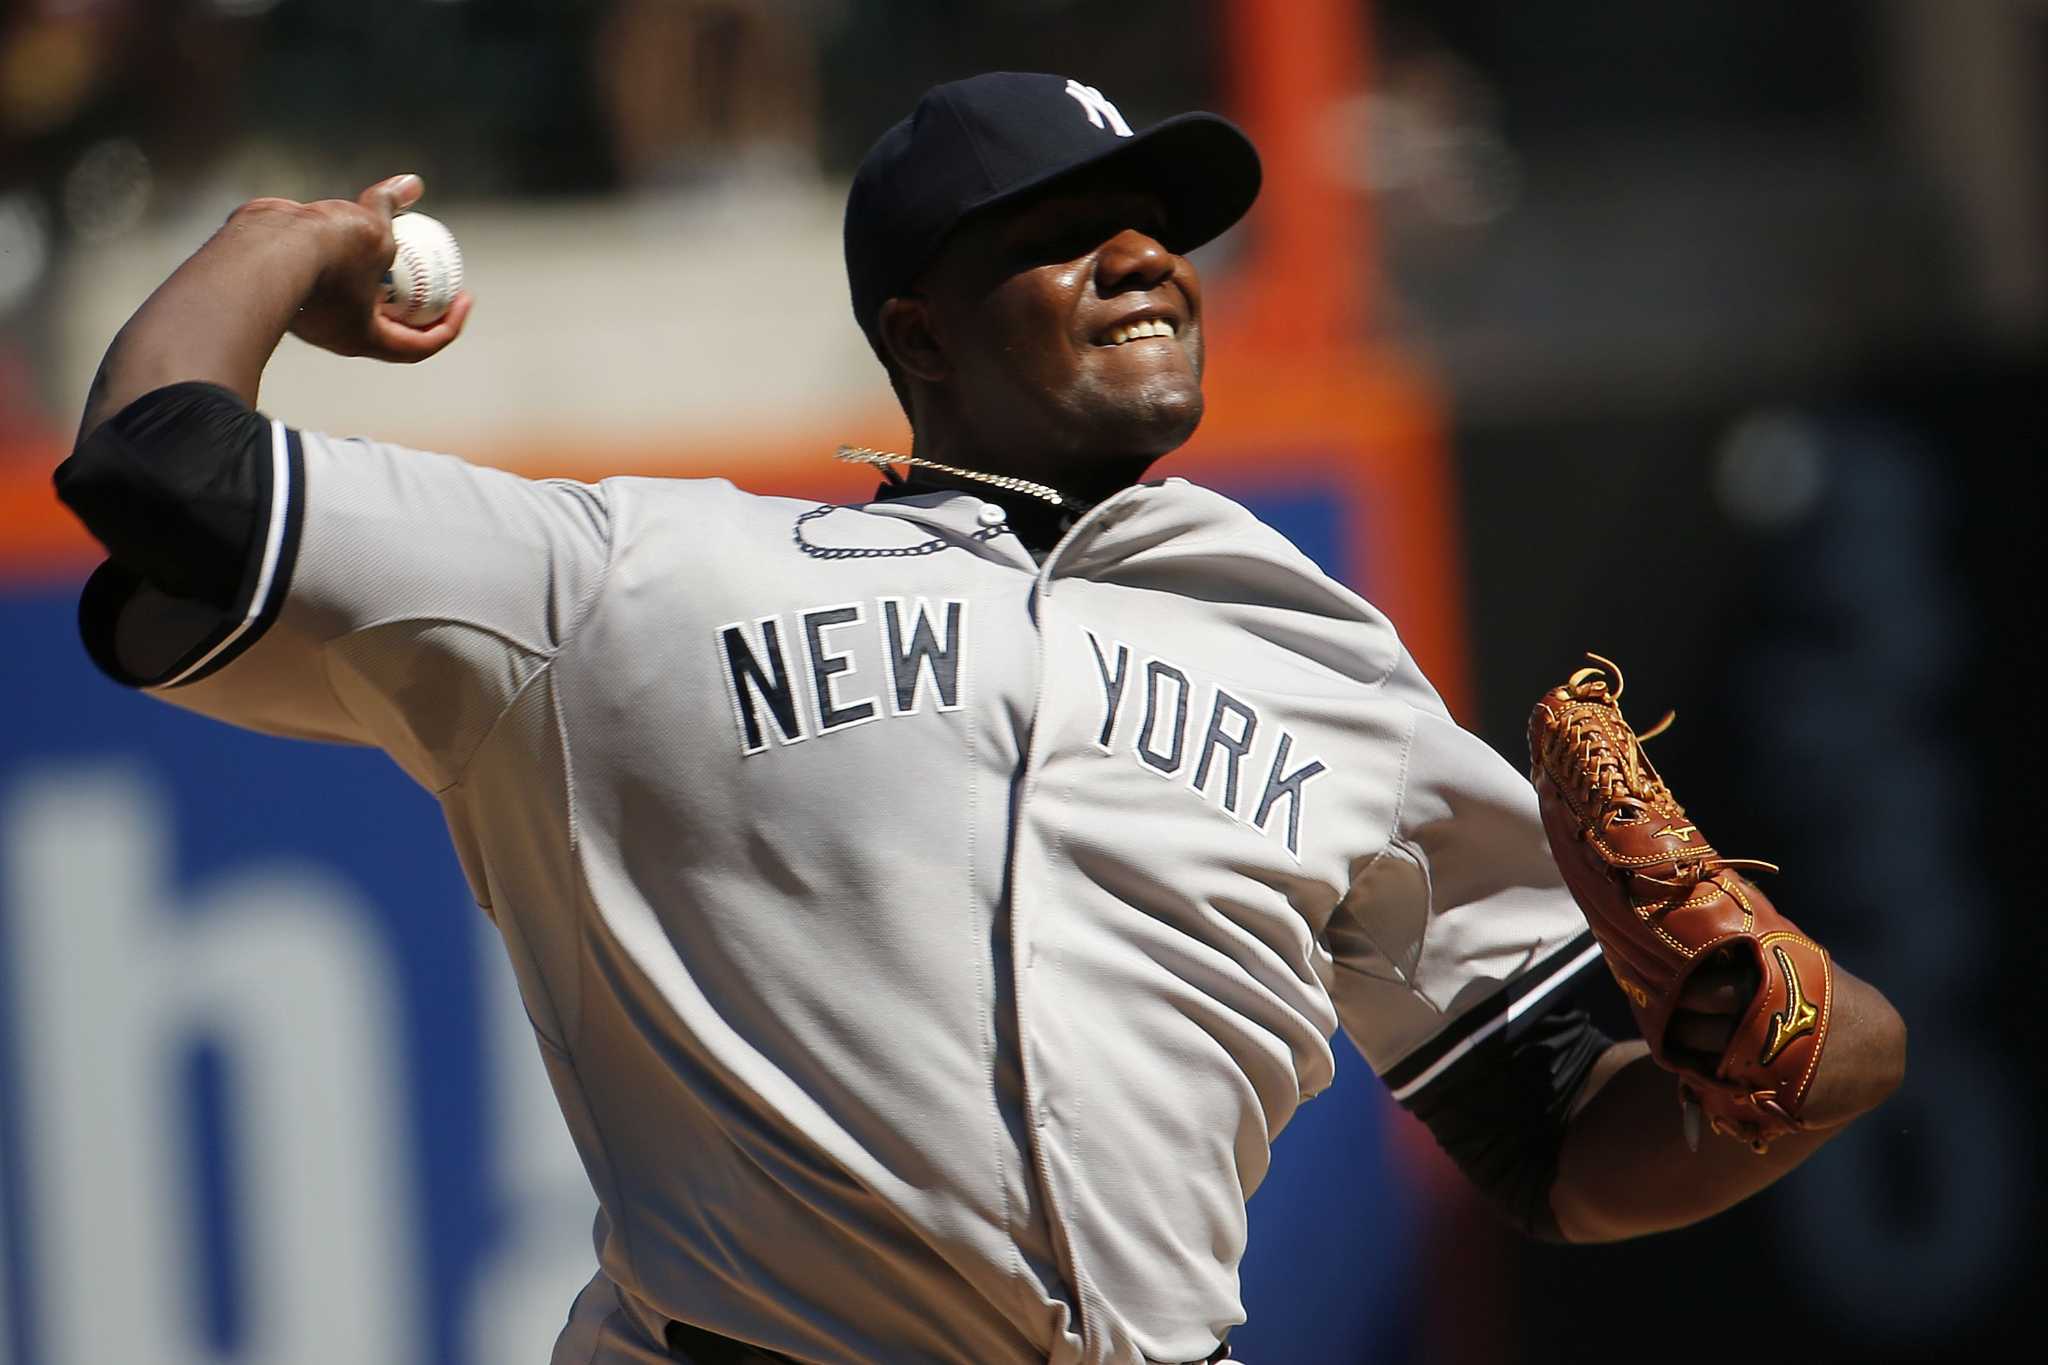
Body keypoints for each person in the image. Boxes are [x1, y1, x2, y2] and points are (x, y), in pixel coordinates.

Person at [54, 73, 1905, 1365]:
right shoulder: (634, 577)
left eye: (1162, 229)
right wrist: (278, 245)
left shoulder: (1324, 654)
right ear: (918, 328)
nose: (1143, 258)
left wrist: (1792, 1080)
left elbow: (1553, 1139)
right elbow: (168, 477)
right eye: (1064, 229)